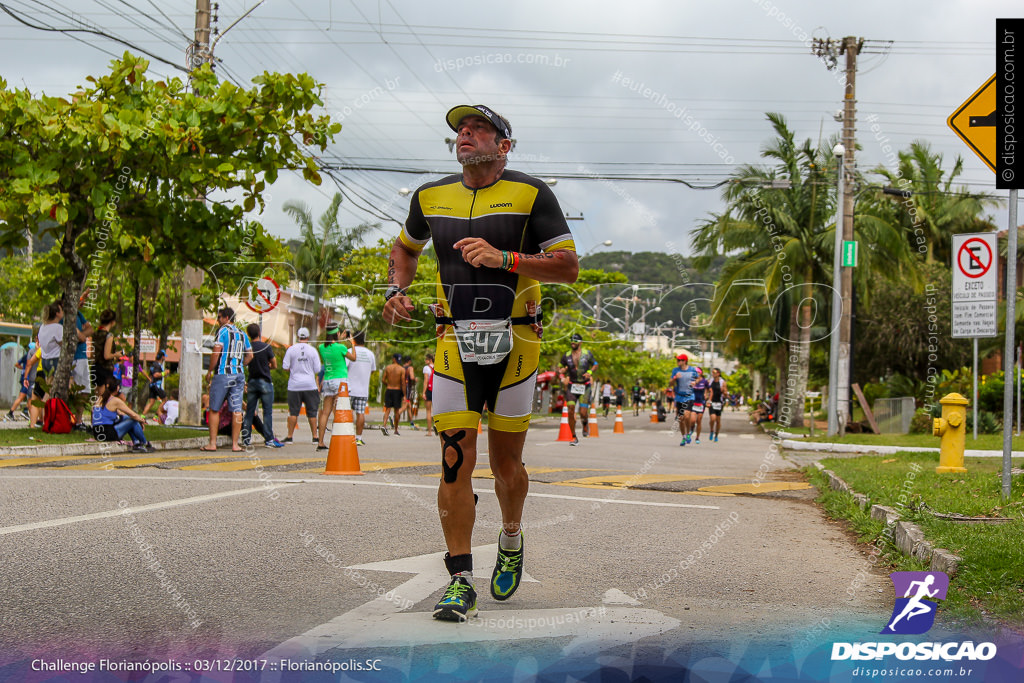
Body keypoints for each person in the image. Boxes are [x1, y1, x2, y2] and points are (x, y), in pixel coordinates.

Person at [383, 103, 578, 622]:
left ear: (504, 146)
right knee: (454, 459)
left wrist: (504, 258)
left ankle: (511, 536)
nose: (465, 134)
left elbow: (568, 267)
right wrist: (395, 290)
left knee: (505, 465)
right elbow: (405, 250)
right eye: (460, 129)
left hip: (516, 341)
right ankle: (461, 578)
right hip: (453, 341)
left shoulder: (531, 193)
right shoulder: (430, 197)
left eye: (478, 128)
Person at [201, 307, 252, 452]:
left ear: (226, 318)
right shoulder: (242, 334)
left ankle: (212, 443)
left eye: (219, 318)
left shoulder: (222, 331)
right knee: (237, 409)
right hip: (239, 374)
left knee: (214, 408)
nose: (218, 321)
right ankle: (235, 444)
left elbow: (216, 352)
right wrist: (240, 364)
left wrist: (210, 370)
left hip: (223, 373)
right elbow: (250, 355)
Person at [241, 323, 284, 448]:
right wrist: (268, 366)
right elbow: (274, 364)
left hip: (252, 382)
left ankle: (246, 439)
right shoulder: (266, 347)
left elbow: (246, 361)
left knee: (249, 412)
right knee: (267, 412)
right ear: (259, 333)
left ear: (249, 334)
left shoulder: (248, 348)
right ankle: (269, 439)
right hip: (265, 381)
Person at [317, 325, 357, 450]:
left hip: (328, 380)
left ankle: (321, 442)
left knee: (325, 413)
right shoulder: (342, 347)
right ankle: (340, 441)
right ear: (337, 334)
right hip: (340, 381)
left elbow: (332, 346)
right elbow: (354, 358)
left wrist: (340, 339)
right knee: (341, 411)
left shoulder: (321, 347)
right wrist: (352, 344)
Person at [92, 378, 155, 453]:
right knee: (133, 420)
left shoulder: (99, 399)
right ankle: (145, 443)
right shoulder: (115, 401)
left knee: (128, 419)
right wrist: (142, 420)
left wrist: (137, 419)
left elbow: (122, 414)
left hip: (97, 434)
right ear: (118, 388)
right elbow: (132, 414)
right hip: (108, 434)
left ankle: (137, 443)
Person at [282, 326, 321, 444]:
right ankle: (315, 437)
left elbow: (285, 367)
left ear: (298, 337)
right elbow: (317, 368)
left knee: (293, 412)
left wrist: (294, 369)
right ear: (308, 337)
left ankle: (289, 436)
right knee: (312, 412)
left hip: (294, 385)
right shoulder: (312, 350)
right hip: (310, 385)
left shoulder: (291, 349)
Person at [558, 333, 598, 445]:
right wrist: (562, 375)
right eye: (571, 340)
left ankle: (585, 424)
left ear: (580, 342)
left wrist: (590, 372)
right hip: (572, 385)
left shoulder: (587, 353)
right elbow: (560, 367)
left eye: (575, 341)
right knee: (570, 410)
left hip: (585, 386)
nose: (572, 342)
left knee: (583, 412)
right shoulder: (566, 355)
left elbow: (595, 364)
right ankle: (573, 436)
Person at [346, 330, 377, 446]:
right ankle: (358, 438)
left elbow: (344, 368)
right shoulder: (370, 354)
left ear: (353, 339)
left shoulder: (349, 351)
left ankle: (348, 437)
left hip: (349, 389)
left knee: (347, 413)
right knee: (361, 413)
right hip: (363, 390)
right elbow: (373, 371)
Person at [671, 353, 699, 446]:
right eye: (677, 360)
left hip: (689, 396)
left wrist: (695, 382)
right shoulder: (675, 370)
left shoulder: (692, 370)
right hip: (679, 397)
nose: (678, 362)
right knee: (681, 419)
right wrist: (675, 378)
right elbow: (670, 384)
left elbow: (698, 379)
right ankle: (684, 436)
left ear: (685, 361)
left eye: (680, 360)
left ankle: (689, 432)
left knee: (687, 415)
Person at [6, 342, 37, 421]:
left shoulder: (25, 356)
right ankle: (12, 413)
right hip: (28, 379)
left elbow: (17, 364)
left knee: (27, 397)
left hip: (24, 378)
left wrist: (23, 368)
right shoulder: (33, 356)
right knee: (27, 398)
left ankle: (25, 411)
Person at [380, 353, 406, 436]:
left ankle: (384, 425)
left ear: (393, 359)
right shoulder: (401, 369)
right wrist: (405, 394)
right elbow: (403, 382)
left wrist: (388, 384)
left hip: (389, 389)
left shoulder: (388, 368)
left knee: (387, 409)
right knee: (397, 411)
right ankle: (396, 430)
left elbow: (383, 380)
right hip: (397, 391)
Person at [91, 310, 118, 389]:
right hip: (105, 369)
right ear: (112, 322)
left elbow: (92, 354)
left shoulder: (95, 334)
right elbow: (107, 355)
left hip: (95, 367)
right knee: (103, 396)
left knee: (97, 396)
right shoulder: (109, 336)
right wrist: (116, 354)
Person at [142, 350, 167, 417]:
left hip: (152, 385)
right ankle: (156, 415)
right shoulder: (157, 365)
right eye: (164, 357)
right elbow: (155, 375)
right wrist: (164, 373)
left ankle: (142, 416)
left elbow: (151, 375)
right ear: (162, 357)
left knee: (151, 402)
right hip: (157, 385)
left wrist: (151, 380)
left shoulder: (153, 364)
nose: (165, 358)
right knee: (165, 400)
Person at [707, 368, 727, 442]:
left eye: (715, 372)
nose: (713, 373)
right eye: (712, 372)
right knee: (712, 418)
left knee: (718, 421)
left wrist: (723, 391)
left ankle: (716, 435)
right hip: (712, 402)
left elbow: (725, 394)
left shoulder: (722, 382)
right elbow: (707, 390)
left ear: (718, 373)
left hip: (719, 403)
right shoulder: (710, 381)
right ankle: (712, 430)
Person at [690, 368, 709, 444]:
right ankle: (691, 429)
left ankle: (697, 437)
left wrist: (706, 395)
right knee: (692, 420)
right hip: (693, 402)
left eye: (698, 372)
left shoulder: (705, 381)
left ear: (701, 373)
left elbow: (709, 389)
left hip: (701, 403)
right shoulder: (692, 380)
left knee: (699, 421)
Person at [402, 355, 419, 430]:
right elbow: (411, 377)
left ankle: (412, 423)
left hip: (401, 387)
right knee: (406, 404)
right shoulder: (410, 368)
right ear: (409, 361)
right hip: (407, 388)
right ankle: (394, 417)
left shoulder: (402, 367)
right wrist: (415, 379)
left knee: (408, 406)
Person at [422, 352, 435, 436]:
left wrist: (423, 392)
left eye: (426, 359)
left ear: (429, 360)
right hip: (437, 390)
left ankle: (430, 432)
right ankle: (437, 426)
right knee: (437, 411)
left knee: (428, 411)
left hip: (429, 391)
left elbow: (426, 381)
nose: (425, 360)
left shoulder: (426, 368)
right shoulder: (437, 366)